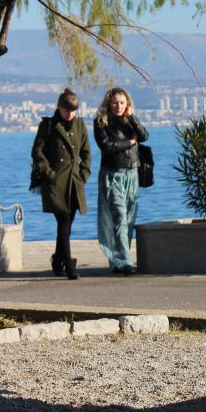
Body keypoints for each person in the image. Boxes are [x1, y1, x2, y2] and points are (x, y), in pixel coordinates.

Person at [31, 88, 91, 280]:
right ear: (59, 107)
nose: (70, 114)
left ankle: (57, 260)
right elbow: (37, 152)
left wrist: (84, 173)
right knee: (64, 221)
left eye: (73, 110)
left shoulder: (80, 125)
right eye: (67, 110)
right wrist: (49, 174)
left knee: (67, 225)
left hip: (74, 183)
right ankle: (69, 266)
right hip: (55, 184)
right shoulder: (48, 125)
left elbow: (87, 152)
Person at [93, 87, 148, 275]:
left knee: (129, 218)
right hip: (112, 175)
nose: (118, 106)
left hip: (132, 174)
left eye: (122, 103)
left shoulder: (130, 122)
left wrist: (132, 118)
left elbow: (144, 136)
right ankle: (125, 262)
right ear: (109, 103)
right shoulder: (100, 123)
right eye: (115, 102)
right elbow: (107, 146)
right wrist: (130, 142)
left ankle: (116, 260)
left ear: (127, 104)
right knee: (119, 217)